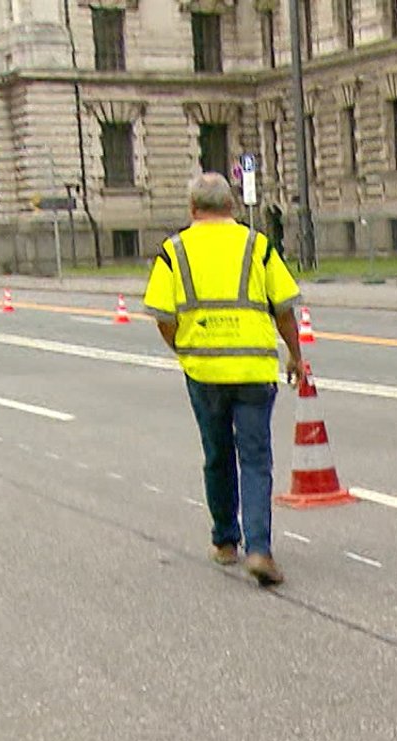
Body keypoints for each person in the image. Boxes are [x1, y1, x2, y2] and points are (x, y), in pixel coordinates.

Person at [142, 172, 306, 586]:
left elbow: (162, 316)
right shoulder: (258, 245)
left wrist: (184, 348)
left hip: (204, 370)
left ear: (192, 209)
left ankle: (225, 541)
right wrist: (295, 356)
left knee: (217, 454)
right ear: (232, 206)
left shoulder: (173, 251)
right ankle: (260, 549)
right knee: (255, 459)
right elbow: (284, 309)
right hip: (253, 368)